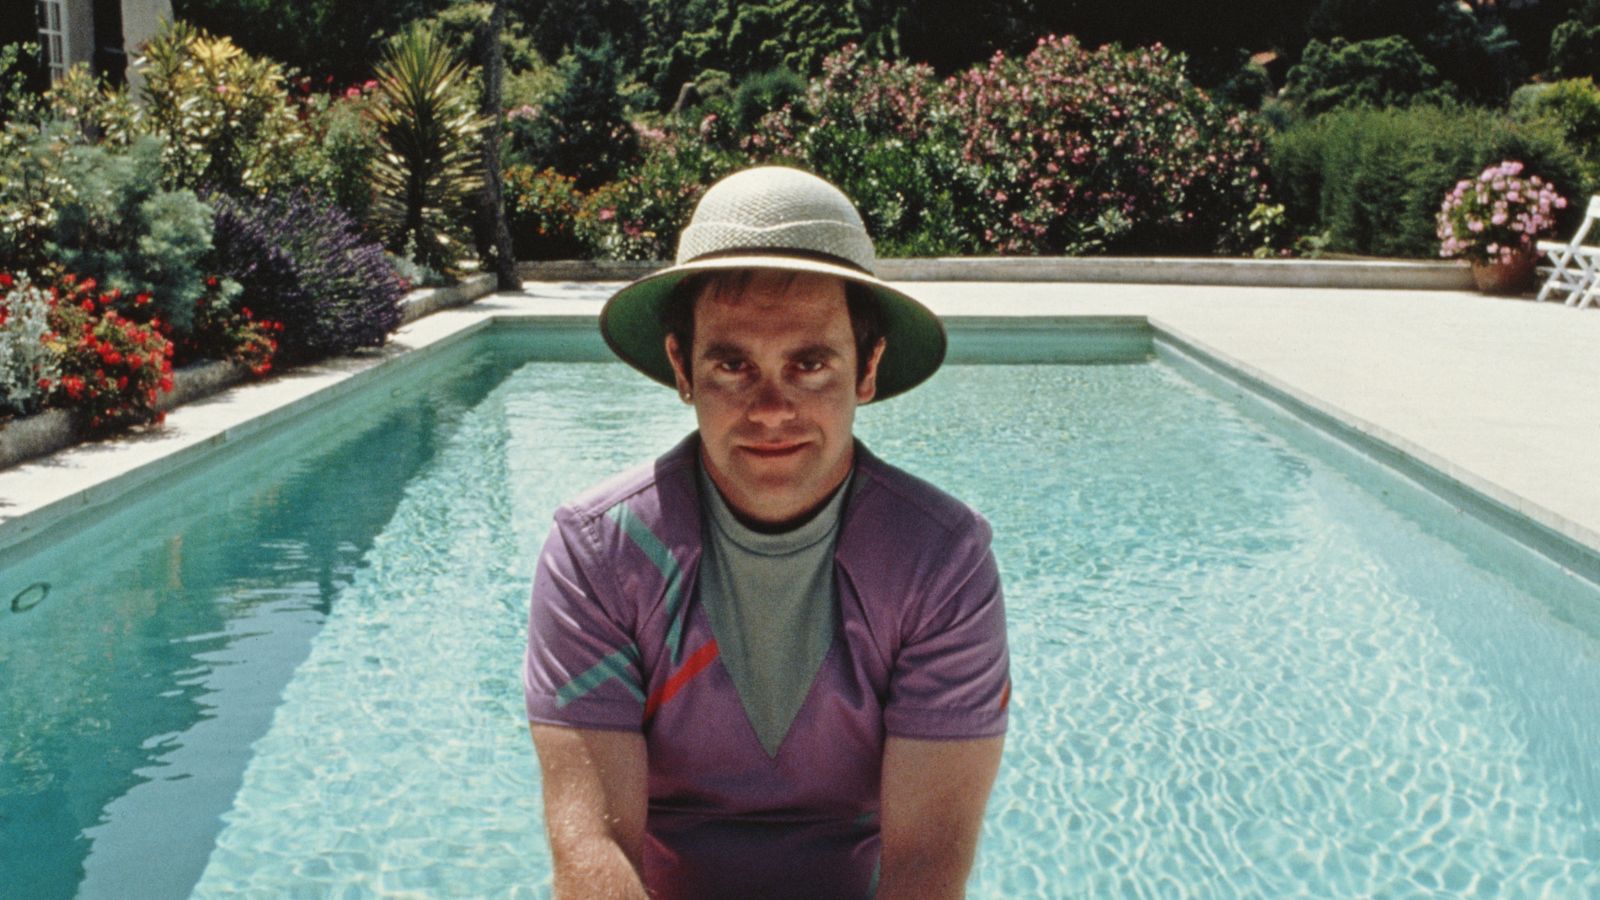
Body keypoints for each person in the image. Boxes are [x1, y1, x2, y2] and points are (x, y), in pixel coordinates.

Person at [523, 166, 1010, 899]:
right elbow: (593, 849)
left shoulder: (939, 562)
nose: (771, 409)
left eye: (810, 364)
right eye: (732, 365)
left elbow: (924, 869)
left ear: (867, 368)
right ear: (681, 367)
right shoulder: (601, 554)